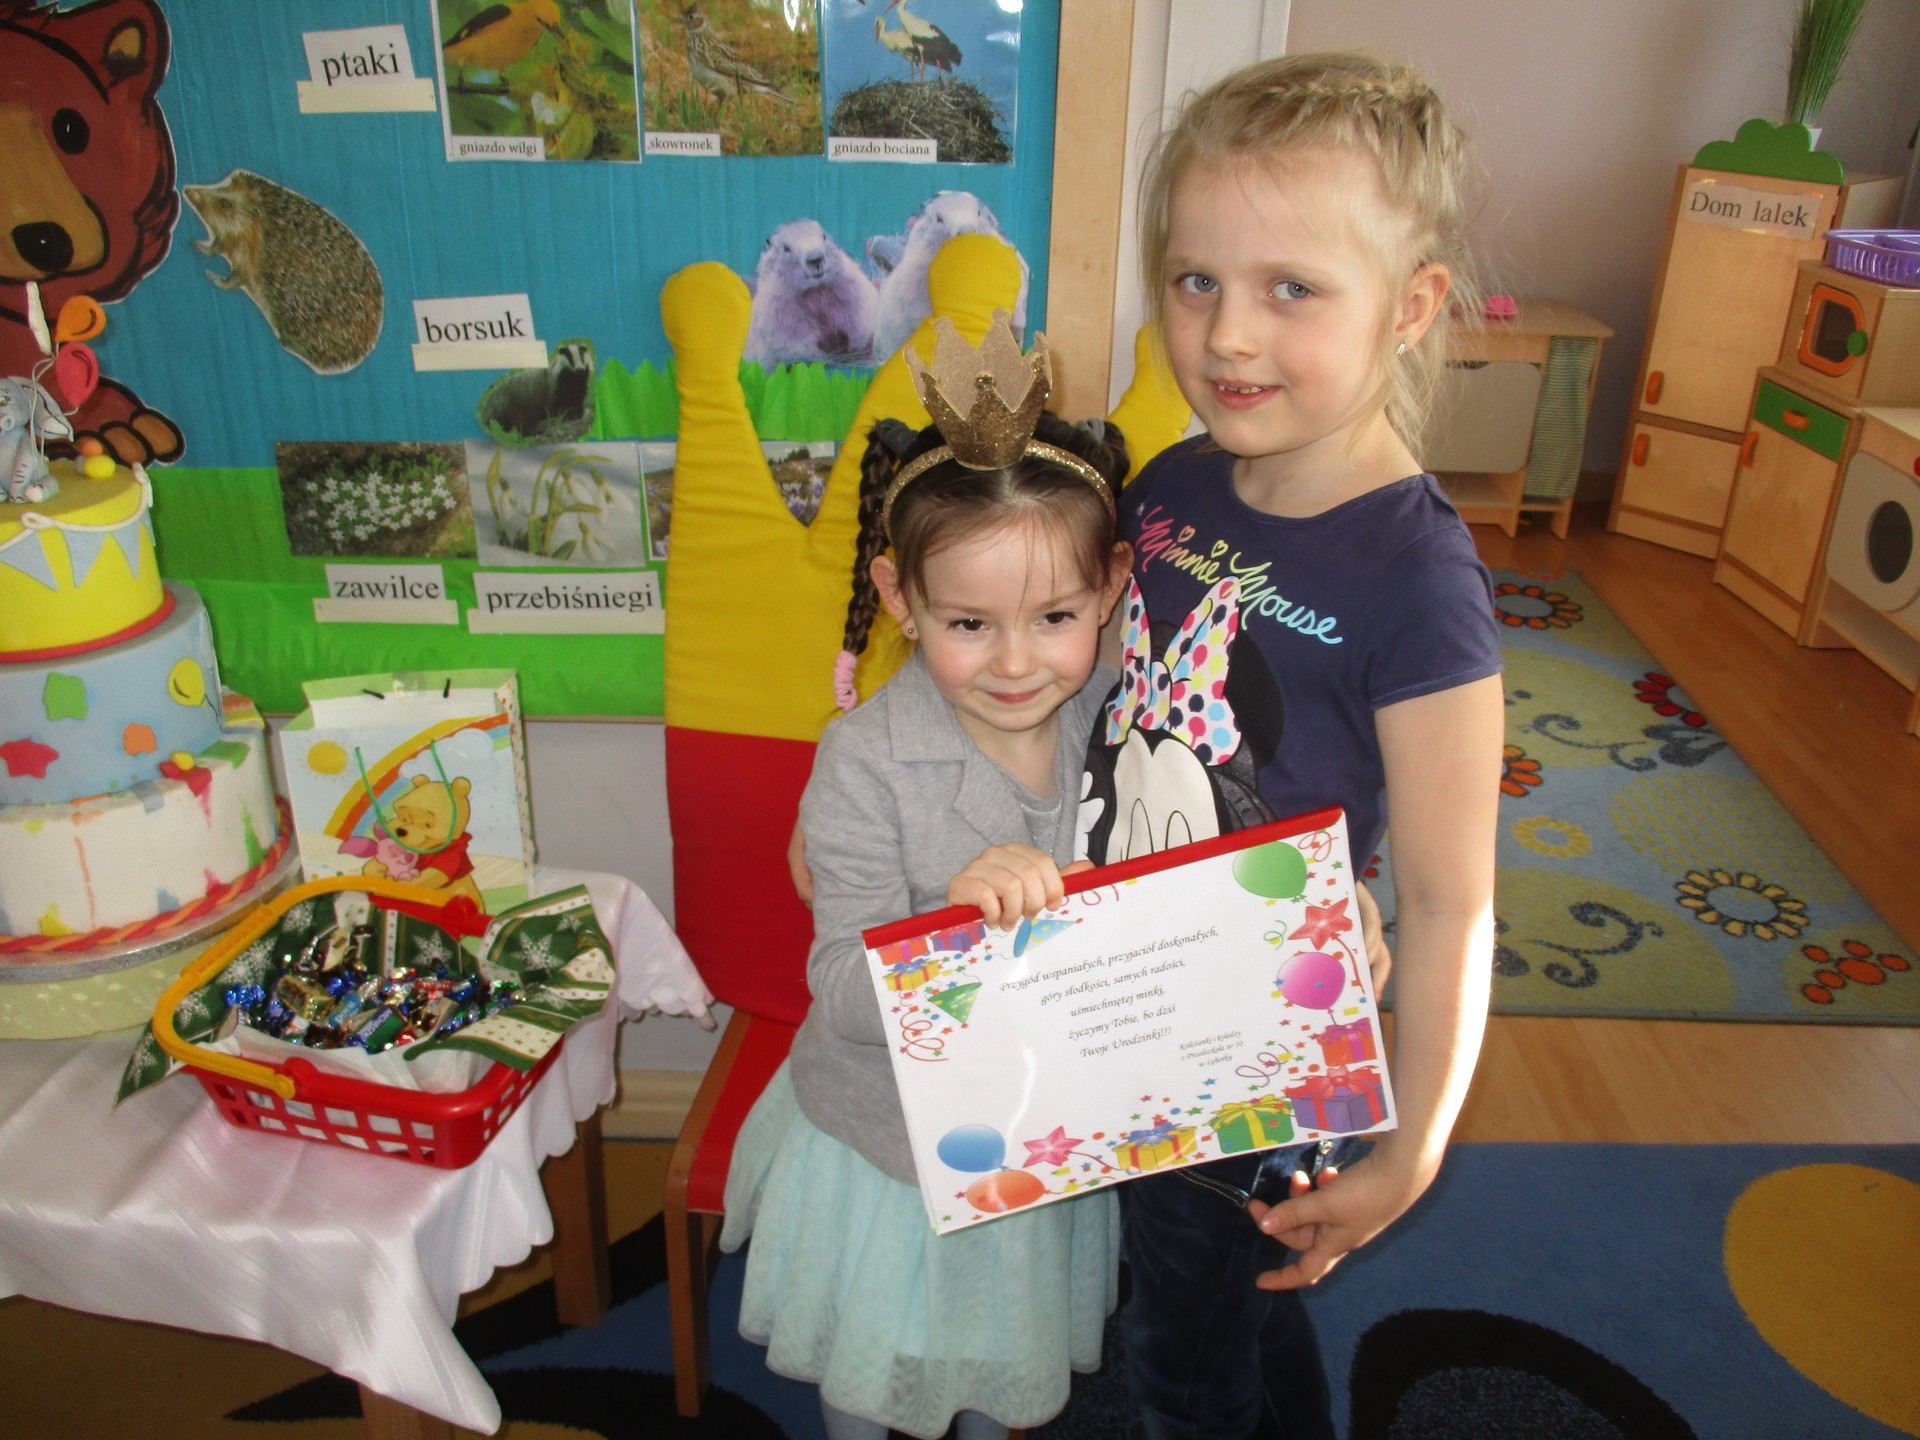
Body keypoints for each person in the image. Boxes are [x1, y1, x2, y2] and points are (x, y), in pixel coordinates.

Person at [1080, 51, 1505, 1439]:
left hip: (1258, 1053)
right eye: (1196, 279)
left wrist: (1415, 1147)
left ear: (1411, 307)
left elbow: (1451, 902)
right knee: (1230, 1305)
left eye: (1292, 289)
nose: (1228, 337)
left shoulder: (1417, 579)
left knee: (1178, 1351)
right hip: (1130, 992)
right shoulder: (1173, 481)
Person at [721, 317, 1135, 1440]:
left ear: (1109, 589)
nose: (1017, 661)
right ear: (901, 600)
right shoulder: (864, 761)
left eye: (1055, 617)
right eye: (968, 623)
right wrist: (958, 929)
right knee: (874, 1372)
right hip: (890, 1151)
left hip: (1040, 1137)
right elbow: (840, 991)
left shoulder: (1123, 719)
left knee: (1005, 1362)